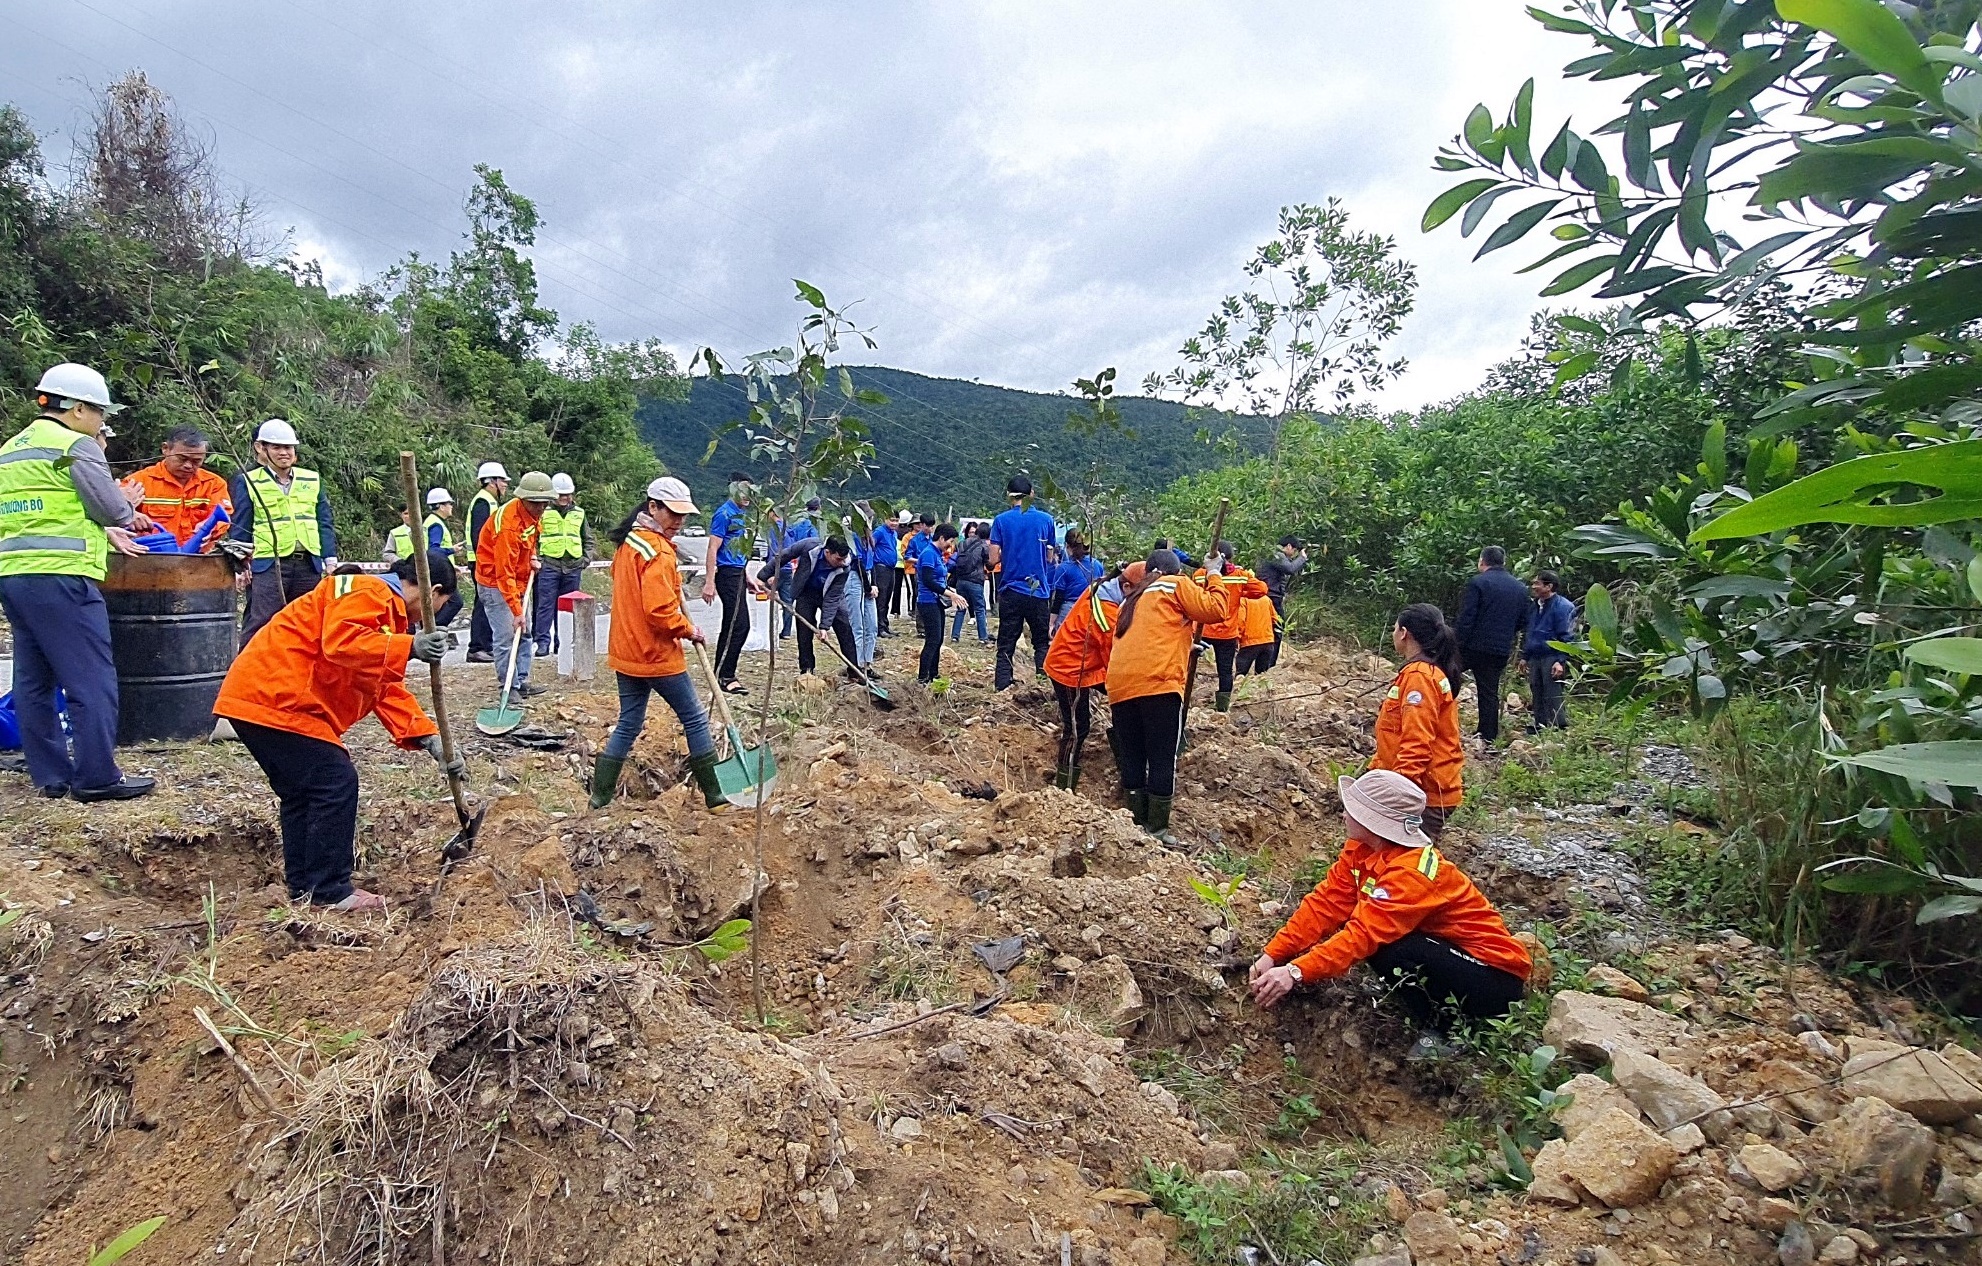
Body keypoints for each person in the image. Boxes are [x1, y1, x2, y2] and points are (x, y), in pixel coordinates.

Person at [214, 553, 457, 911]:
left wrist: (429, 738)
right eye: (441, 605)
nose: (430, 618)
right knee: (334, 781)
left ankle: (306, 890)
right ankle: (330, 891)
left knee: (303, 794)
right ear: (432, 591)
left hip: (260, 698)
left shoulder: (380, 610)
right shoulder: (370, 592)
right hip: (278, 700)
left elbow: (381, 686)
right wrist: (409, 648)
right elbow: (341, 642)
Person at [1250, 769, 1531, 1057]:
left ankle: (1450, 1030)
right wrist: (1274, 953)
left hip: (1495, 979)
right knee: (1386, 942)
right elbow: (1326, 902)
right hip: (1451, 957)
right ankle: (1438, 1013)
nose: (1344, 815)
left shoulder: (1412, 872)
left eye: (1352, 809)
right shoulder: (1361, 849)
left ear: (1375, 822)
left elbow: (1362, 936)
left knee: (1391, 947)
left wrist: (1295, 972)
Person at [0, 362, 156, 802]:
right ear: (78, 407)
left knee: (33, 680)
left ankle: (51, 776)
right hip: (64, 576)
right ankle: (97, 777)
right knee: (91, 679)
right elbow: (113, 510)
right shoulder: (76, 446)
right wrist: (124, 502)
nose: (102, 422)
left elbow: (41, 509)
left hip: (15, 575)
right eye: (100, 413)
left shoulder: (12, 448)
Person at [591, 477, 729, 813]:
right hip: (655, 654)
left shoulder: (630, 543)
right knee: (695, 718)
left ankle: (599, 799)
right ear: (653, 507)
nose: (680, 520)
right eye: (673, 513)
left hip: (626, 652)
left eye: (684, 514)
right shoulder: (658, 552)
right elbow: (660, 611)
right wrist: (689, 629)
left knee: (629, 722)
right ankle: (716, 797)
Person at [1104, 549, 1237, 841]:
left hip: (1121, 686)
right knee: (1162, 757)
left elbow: (1147, 637)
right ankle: (1157, 829)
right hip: (1159, 683)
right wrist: (1214, 572)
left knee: (1133, 756)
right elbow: (1215, 610)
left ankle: (1135, 824)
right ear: (1175, 571)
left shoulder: (1132, 599)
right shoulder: (1175, 584)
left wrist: (1184, 647)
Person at [231, 418, 337, 648]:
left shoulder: (312, 479)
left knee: (308, 621)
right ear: (261, 448)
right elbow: (241, 525)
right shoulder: (249, 481)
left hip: (308, 563)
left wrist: (330, 559)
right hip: (267, 564)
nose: (284, 453)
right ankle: (249, 674)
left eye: (288, 447)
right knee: (262, 622)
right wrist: (240, 565)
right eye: (276, 447)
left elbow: (324, 522)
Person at [1370, 604, 1466, 839]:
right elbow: (1395, 736)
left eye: (1394, 629)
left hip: (1424, 794)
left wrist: (1399, 794)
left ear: (1404, 633)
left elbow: (1417, 742)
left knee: (1407, 868)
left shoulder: (1420, 677)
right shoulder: (1423, 672)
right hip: (1424, 789)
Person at [1044, 562, 1140, 789]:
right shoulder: (1106, 612)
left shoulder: (1104, 587)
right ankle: (1064, 784)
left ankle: (1125, 751)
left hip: (1088, 665)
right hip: (1069, 669)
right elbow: (1113, 655)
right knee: (1078, 726)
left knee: (1127, 702)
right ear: (1126, 587)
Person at [477, 470, 555, 699]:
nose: (541, 508)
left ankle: (521, 679)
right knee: (507, 635)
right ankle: (507, 686)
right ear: (523, 499)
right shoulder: (508, 526)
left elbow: (529, 538)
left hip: (519, 581)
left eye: (544, 503)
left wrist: (531, 556)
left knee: (525, 632)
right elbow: (504, 572)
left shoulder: (532, 515)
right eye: (536, 503)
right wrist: (515, 609)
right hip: (496, 584)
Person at [1453, 546, 1530, 744]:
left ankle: (1437, 720)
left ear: (1482, 561)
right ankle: (1488, 736)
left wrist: (1455, 644)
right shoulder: (1520, 589)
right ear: (1503, 562)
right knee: (1489, 692)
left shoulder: (1478, 583)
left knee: (1446, 678)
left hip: (1471, 646)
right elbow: (1523, 621)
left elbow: (1467, 618)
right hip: (1498, 649)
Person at [755, 533, 859, 679]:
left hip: (829, 594)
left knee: (844, 626)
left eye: (844, 559)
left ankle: (854, 671)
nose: (842, 562)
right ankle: (807, 671)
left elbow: (832, 598)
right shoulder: (809, 546)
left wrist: (824, 627)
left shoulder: (845, 567)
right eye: (838, 559)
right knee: (804, 633)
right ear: (827, 552)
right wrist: (762, 576)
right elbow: (784, 556)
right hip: (805, 593)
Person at [988, 475, 1058, 690]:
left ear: (1009, 496)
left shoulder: (1001, 521)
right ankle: (1042, 683)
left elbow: (992, 559)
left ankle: (1002, 685)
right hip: (1038, 591)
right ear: (1032, 494)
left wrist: (1007, 555)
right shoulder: (1046, 520)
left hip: (1011, 589)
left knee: (1006, 643)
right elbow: (1049, 556)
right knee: (1041, 642)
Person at [123, 426, 230, 548]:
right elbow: (113, 514)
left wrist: (212, 528)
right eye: (182, 459)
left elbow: (224, 515)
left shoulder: (213, 484)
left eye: (196, 461)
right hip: (150, 559)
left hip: (199, 559)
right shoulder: (137, 482)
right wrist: (131, 515)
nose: (188, 465)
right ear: (165, 449)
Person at [1197, 542, 1268, 712]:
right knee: (1225, 671)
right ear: (1230, 558)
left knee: (1188, 666)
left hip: (1203, 629)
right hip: (1226, 633)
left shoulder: (1200, 574)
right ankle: (1222, 708)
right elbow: (1261, 589)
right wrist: (1241, 592)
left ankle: (1183, 700)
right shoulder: (1239, 576)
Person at [702, 473, 755, 695]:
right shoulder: (724, 514)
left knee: (734, 624)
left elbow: (736, 550)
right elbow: (713, 548)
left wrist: (747, 576)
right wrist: (709, 582)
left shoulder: (742, 515)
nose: (747, 496)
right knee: (739, 624)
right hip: (727, 575)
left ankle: (722, 672)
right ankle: (726, 675)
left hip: (738, 573)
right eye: (743, 490)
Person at [533, 473, 591, 658]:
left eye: (567, 494)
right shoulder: (543, 513)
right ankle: (542, 643)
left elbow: (587, 538)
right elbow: (532, 539)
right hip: (549, 565)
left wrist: (586, 559)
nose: (564, 498)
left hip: (573, 566)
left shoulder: (579, 513)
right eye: (560, 495)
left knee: (568, 607)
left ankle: (563, 643)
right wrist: (537, 560)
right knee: (545, 606)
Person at [386, 488, 461, 625]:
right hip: (437, 572)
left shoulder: (429, 521)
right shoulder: (436, 524)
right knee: (455, 602)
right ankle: (434, 629)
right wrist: (451, 551)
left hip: (427, 568)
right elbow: (434, 549)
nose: (451, 507)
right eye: (449, 503)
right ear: (441, 506)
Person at [463, 462, 509, 663]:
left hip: (485, 561)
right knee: (484, 603)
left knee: (487, 602)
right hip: (484, 562)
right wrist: (490, 560)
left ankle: (485, 645)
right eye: (503, 481)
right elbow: (480, 535)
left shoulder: (489, 501)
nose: (506, 485)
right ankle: (477, 647)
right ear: (492, 482)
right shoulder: (484, 502)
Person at [1521, 571, 1576, 731]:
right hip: (1536, 654)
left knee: (1552, 690)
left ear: (1549, 586)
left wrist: (1561, 660)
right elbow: (1530, 631)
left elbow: (1567, 636)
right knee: (1536, 689)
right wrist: (1525, 656)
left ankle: (1558, 726)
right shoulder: (1535, 606)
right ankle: (1540, 724)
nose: (1533, 587)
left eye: (1537, 583)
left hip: (1552, 655)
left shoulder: (1564, 607)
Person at [912, 523, 966, 683]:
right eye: (950, 541)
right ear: (941, 538)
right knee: (932, 639)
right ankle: (923, 677)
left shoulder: (936, 554)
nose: (951, 545)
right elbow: (928, 580)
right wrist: (950, 594)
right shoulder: (929, 554)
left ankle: (933, 674)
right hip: (928, 601)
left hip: (936, 602)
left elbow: (938, 579)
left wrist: (950, 590)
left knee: (938, 638)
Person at [1256, 536, 1307, 668]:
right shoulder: (1277, 556)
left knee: (1270, 631)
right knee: (1277, 630)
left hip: (1269, 597)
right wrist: (1302, 558)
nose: (1294, 554)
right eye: (1294, 550)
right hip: (1271, 598)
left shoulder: (1274, 555)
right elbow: (1290, 569)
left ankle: (1265, 665)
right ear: (1289, 546)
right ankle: (1269, 666)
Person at [776, 499, 821, 639]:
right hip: (809, 563)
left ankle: (784, 630)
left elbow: (789, 538)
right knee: (801, 598)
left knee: (787, 597)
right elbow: (815, 544)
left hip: (793, 560)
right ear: (819, 507)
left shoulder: (796, 520)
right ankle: (798, 629)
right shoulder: (816, 521)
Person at [845, 512, 881, 675]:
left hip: (866, 576)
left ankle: (867, 664)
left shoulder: (869, 537)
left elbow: (870, 562)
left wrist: (873, 584)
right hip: (854, 577)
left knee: (872, 626)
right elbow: (857, 563)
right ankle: (857, 666)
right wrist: (867, 588)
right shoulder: (852, 536)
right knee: (857, 626)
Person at [1049, 530, 1104, 634]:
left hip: (1069, 610)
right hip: (1090, 609)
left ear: (1067, 546)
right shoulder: (1097, 565)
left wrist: (1051, 623)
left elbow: (1058, 598)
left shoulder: (1064, 568)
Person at [949, 521, 991, 643]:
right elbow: (989, 564)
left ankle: (955, 635)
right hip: (975, 581)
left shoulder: (962, 543)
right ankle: (983, 637)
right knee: (979, 609)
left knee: (961, 608)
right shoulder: (984, 546)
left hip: (961, 580)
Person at [1235, 588, 1278, 679]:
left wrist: (1237, 638)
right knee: (1261, 675)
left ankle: (1238, 691)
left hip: (1249, 643)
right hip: (1268, 642)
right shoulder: (1266, 599)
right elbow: (1275, 619)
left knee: (1241, 674)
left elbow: (1240, 621)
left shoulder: (1243, 600)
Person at [870, 513, 899, 637]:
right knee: (880, 599)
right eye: (891, 520)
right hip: (880, 568)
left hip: (891, 568)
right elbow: (870, 546)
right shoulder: (879, 532)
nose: (894, 523)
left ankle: (885, 625)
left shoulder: (894, 533)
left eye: (896, 520)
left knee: (887, 598)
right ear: (885, 519)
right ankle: (879, 628)